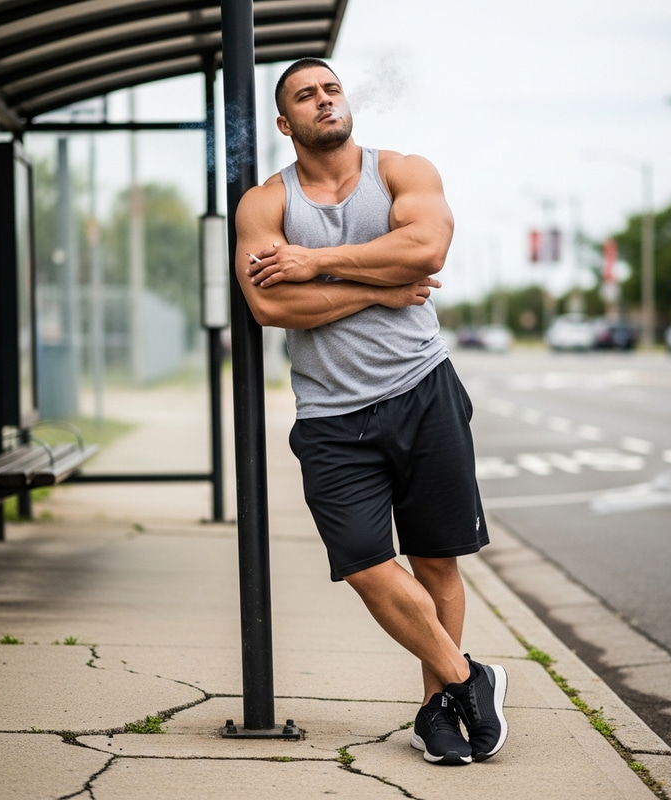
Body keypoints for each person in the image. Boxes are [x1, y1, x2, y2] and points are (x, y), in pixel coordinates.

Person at [234, 57, 507, 766]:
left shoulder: (402, 172)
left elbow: (426, 249)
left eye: (331, 88)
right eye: (306, 95)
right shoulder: (265, 206)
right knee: (362, 563)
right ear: (284, 122)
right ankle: (467, 679)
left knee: (437, 564)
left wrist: (317, 264)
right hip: (330, 417)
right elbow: (269, 304)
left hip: (423, 391)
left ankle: (436, 715)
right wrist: (380, 289)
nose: (324, 100)